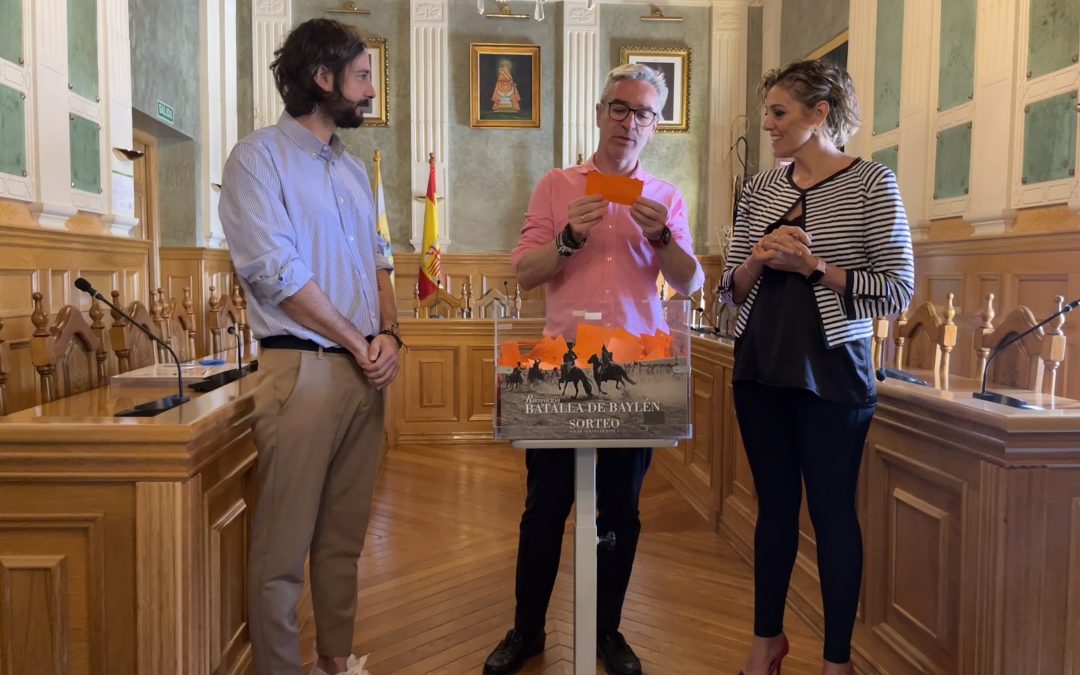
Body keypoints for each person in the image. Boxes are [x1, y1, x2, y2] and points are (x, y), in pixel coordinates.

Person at [483, 63, 704, 675]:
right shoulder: (556, 186)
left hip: (639, 370)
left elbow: (692, 282)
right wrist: (567, 243)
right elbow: (523, 271)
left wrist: (664, 243)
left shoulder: (666, 199)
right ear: (600, 112)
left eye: (642, 114)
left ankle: (607, 633)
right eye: (619, 108)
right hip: (562, 368)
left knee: (621, 511)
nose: (628, 122)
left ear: (655, 127)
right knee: (544, 508)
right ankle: (527, 631)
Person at [218, 18, 403, 675]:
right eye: (361, 78)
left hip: (363, 373)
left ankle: (333, 660)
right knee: (281, 549)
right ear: (322, 80)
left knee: (342, 540)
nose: (369, 93)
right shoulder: (256, 158)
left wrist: (390, 335)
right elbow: (276, 272)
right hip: (301, 369)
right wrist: (359, 340)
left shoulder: (354, 173)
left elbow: (381, 261)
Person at [718, 59, 914, 675]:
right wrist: (756, 257)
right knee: (773, 508)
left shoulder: (871, 183)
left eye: (779, 113)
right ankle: (764, 643)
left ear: (819, 113)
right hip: (759, 367)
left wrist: (814, 268)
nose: (768, 126)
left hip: (833, 373)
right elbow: (728, 291)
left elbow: (898, 289)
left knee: (832, 515)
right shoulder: (758, 190)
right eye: (768, 114)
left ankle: (837, 662)